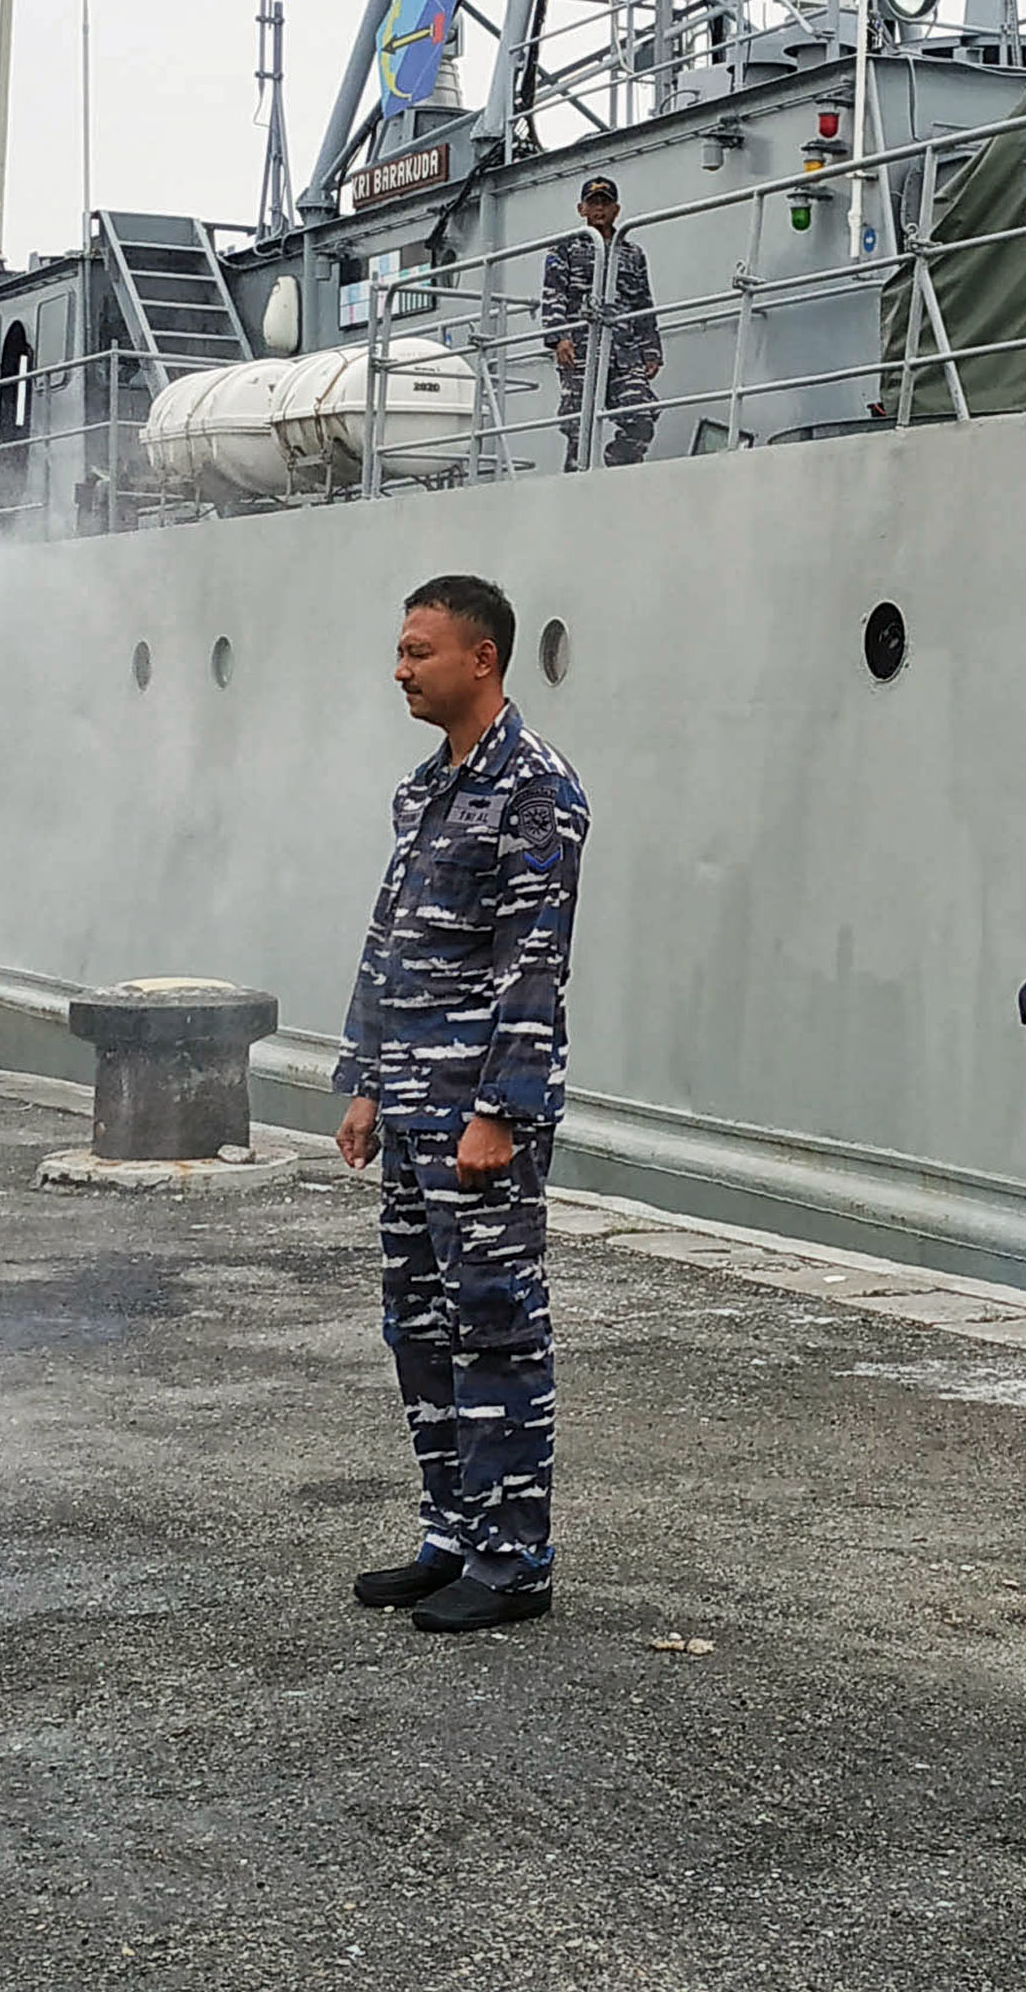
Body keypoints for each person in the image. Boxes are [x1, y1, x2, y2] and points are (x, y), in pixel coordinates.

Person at [334, 575, 591, 1634]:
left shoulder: (535, 791)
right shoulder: (424, 788)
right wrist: (359, 1078)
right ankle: (452, 1531)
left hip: (475, 1110)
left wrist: (500, 1108)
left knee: (494, 1323)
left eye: (417, 650)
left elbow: (532, 961)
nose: (400, 668)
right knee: (419, 1325)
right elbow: (388, 938)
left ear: (480, 659)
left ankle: (515, 1555)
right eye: (399, 650)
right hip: (407, 1101)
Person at [539, 174, 662, 471]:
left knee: (641, 417)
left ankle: (618, 468)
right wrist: (559, 338)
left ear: (616, 209)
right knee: (578, 427)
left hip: (625, 350)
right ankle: (576, 479)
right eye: (593, 203)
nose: (599, 210)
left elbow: (642, 303)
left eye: (605, 204)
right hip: (581, 349)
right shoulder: (564, 249)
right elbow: (554, 293)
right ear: (581, 209)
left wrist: (652, 350)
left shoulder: (632, 254)